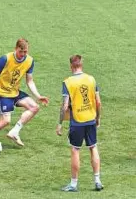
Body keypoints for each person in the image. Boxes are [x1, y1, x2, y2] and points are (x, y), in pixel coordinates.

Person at [0, 38, 49, 150]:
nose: (23, 54)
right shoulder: (5, 58)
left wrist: (38, 96)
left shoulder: (29, 61)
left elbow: (29, 80)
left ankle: (15, 131)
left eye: (25, 52)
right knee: (6, 121)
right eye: (21, 51)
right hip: (2, 92)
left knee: (34, 107)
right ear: (15, 49)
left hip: (15, 91)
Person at [56, 55, 103, 192]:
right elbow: (98, 102)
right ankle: (97, 181)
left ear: (71, 66)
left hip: (77, 121)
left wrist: (59, 124)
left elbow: (65, 106)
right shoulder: (91, 79)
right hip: (90, 118)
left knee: (75, 149)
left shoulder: (68, 82)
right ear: (81, 65)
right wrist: (98, 118)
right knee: (93, 147)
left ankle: (74, 184)